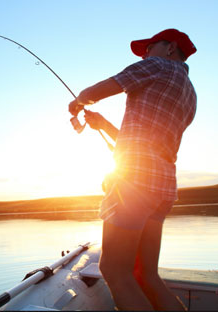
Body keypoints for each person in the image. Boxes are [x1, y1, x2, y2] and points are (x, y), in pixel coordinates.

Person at [68, 29, 197, 311]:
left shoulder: (157, 65)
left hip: (135, 184)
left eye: (149, 47)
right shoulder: (190, 93)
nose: (145, 54)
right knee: (146, 275)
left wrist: (79, 101)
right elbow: (147, 143)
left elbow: (99, 91)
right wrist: (103, 126)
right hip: (162, 187)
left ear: (170, 48)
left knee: (115, 271)